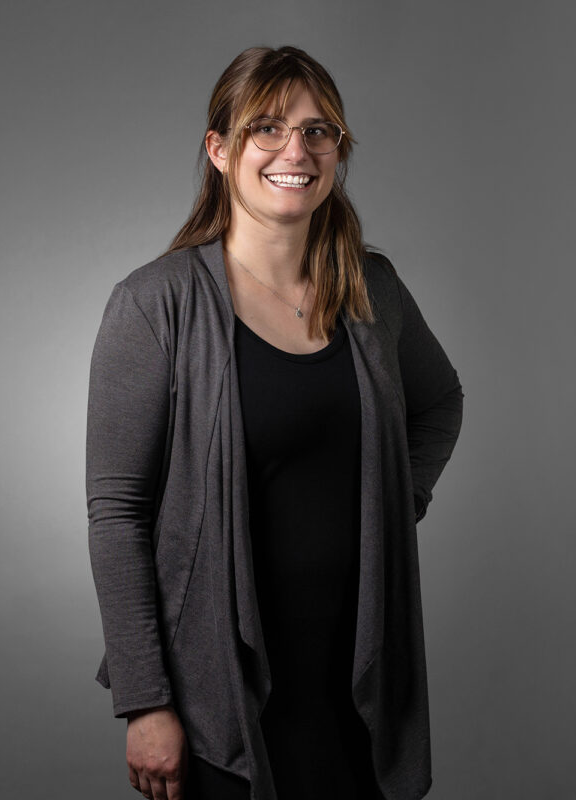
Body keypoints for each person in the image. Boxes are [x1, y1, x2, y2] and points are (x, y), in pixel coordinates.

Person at [87, 45, 463, 800]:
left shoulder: (373, 289)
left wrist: (398, 501)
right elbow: (117, 514)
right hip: (220, 689)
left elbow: (439, 403)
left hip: (357, 677)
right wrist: (146, 701)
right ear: (220, 150)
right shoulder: (156, 305)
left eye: (319, 132)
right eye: (268, 128)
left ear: (337, 152)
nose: (297, 150)